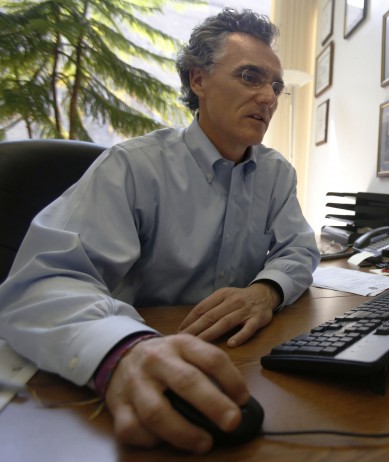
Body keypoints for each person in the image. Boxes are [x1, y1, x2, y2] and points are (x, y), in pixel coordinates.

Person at [0, 8, 319, 454]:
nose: (269, 97)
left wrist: (266, 290)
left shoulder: (277, 174)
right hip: (135, 366)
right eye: (251, 76)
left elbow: (300, 250)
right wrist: (120, 350)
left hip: (242, 364)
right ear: (198, 80)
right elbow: (42, 284)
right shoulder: (131, 166)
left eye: (276, 85)